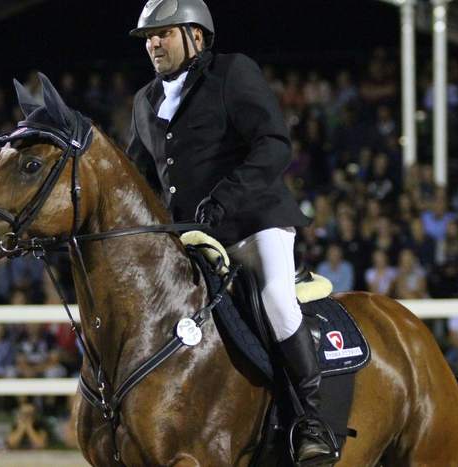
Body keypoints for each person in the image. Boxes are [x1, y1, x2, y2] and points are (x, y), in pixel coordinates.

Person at [126, 0, 332, 462]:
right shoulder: (145, 101)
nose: (153, 44)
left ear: (196, 36)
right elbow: (138, 179)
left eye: (163, 33)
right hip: (192, 240)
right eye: (148, 37)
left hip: (254, 224)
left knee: (277, 300)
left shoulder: (233, 73)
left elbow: (274, 145)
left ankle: (311, 420)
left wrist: (225, 198)